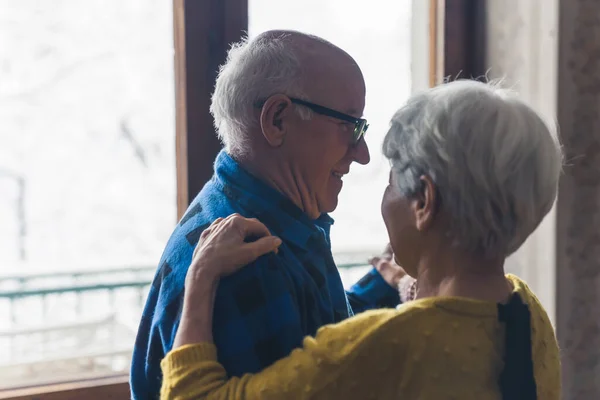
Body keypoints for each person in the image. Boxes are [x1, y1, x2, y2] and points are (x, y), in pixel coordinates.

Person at [159, 80, 563, 399]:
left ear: (424, 201)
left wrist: (200, 277)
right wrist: (412, 284)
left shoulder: (379, 349)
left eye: (391, 183)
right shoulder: (529, 316)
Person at [130, 30, 403, 399]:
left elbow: (316, 337)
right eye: (350, 126)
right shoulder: (251, 258)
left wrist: (383, 285)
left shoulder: (256, 218)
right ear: (277, 119)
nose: (363, 153)